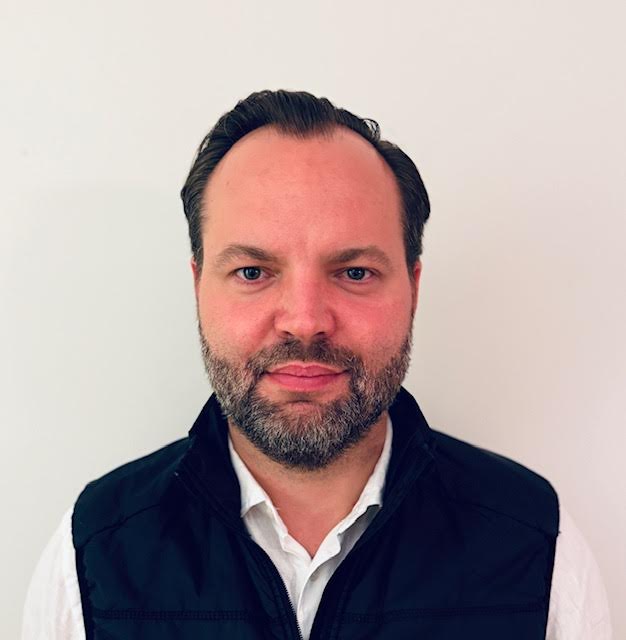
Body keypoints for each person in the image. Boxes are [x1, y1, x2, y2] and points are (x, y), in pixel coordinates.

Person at [23, 90, 611, 640]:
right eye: (252, 272)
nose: (305, 321)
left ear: (413, 288)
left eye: (354, 272)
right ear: (199, 286)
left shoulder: (538, 547)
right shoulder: (91, 556)